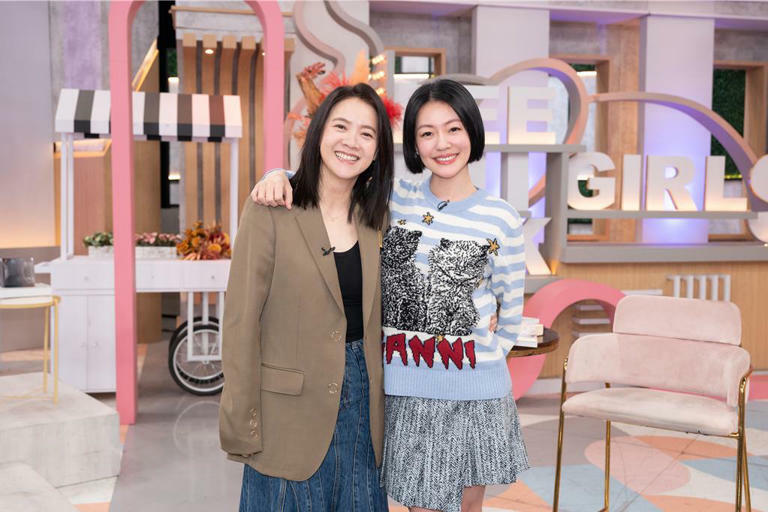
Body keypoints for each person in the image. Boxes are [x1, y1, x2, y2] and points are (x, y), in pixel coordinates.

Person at [252, 79, 528, 512]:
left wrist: (477, 359)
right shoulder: (391, 201)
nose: (442, 144)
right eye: (427, 132)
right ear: (413, 145)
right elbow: (329, 182)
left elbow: (511, 315)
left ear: (472, 132)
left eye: (453, 129)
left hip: (473, 393)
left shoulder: (502, 218)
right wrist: (276, 176)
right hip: (403, 391)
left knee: (466, 508)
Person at [219, 82, 393, 512]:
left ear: (377, 151)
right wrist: (241, 423)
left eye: (367, 133)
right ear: (319, 132)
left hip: (363, 414)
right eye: (341, 126)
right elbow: (241, 322)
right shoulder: (272, 208)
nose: (352, 142)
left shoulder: (378, 219)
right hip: (287, 417)